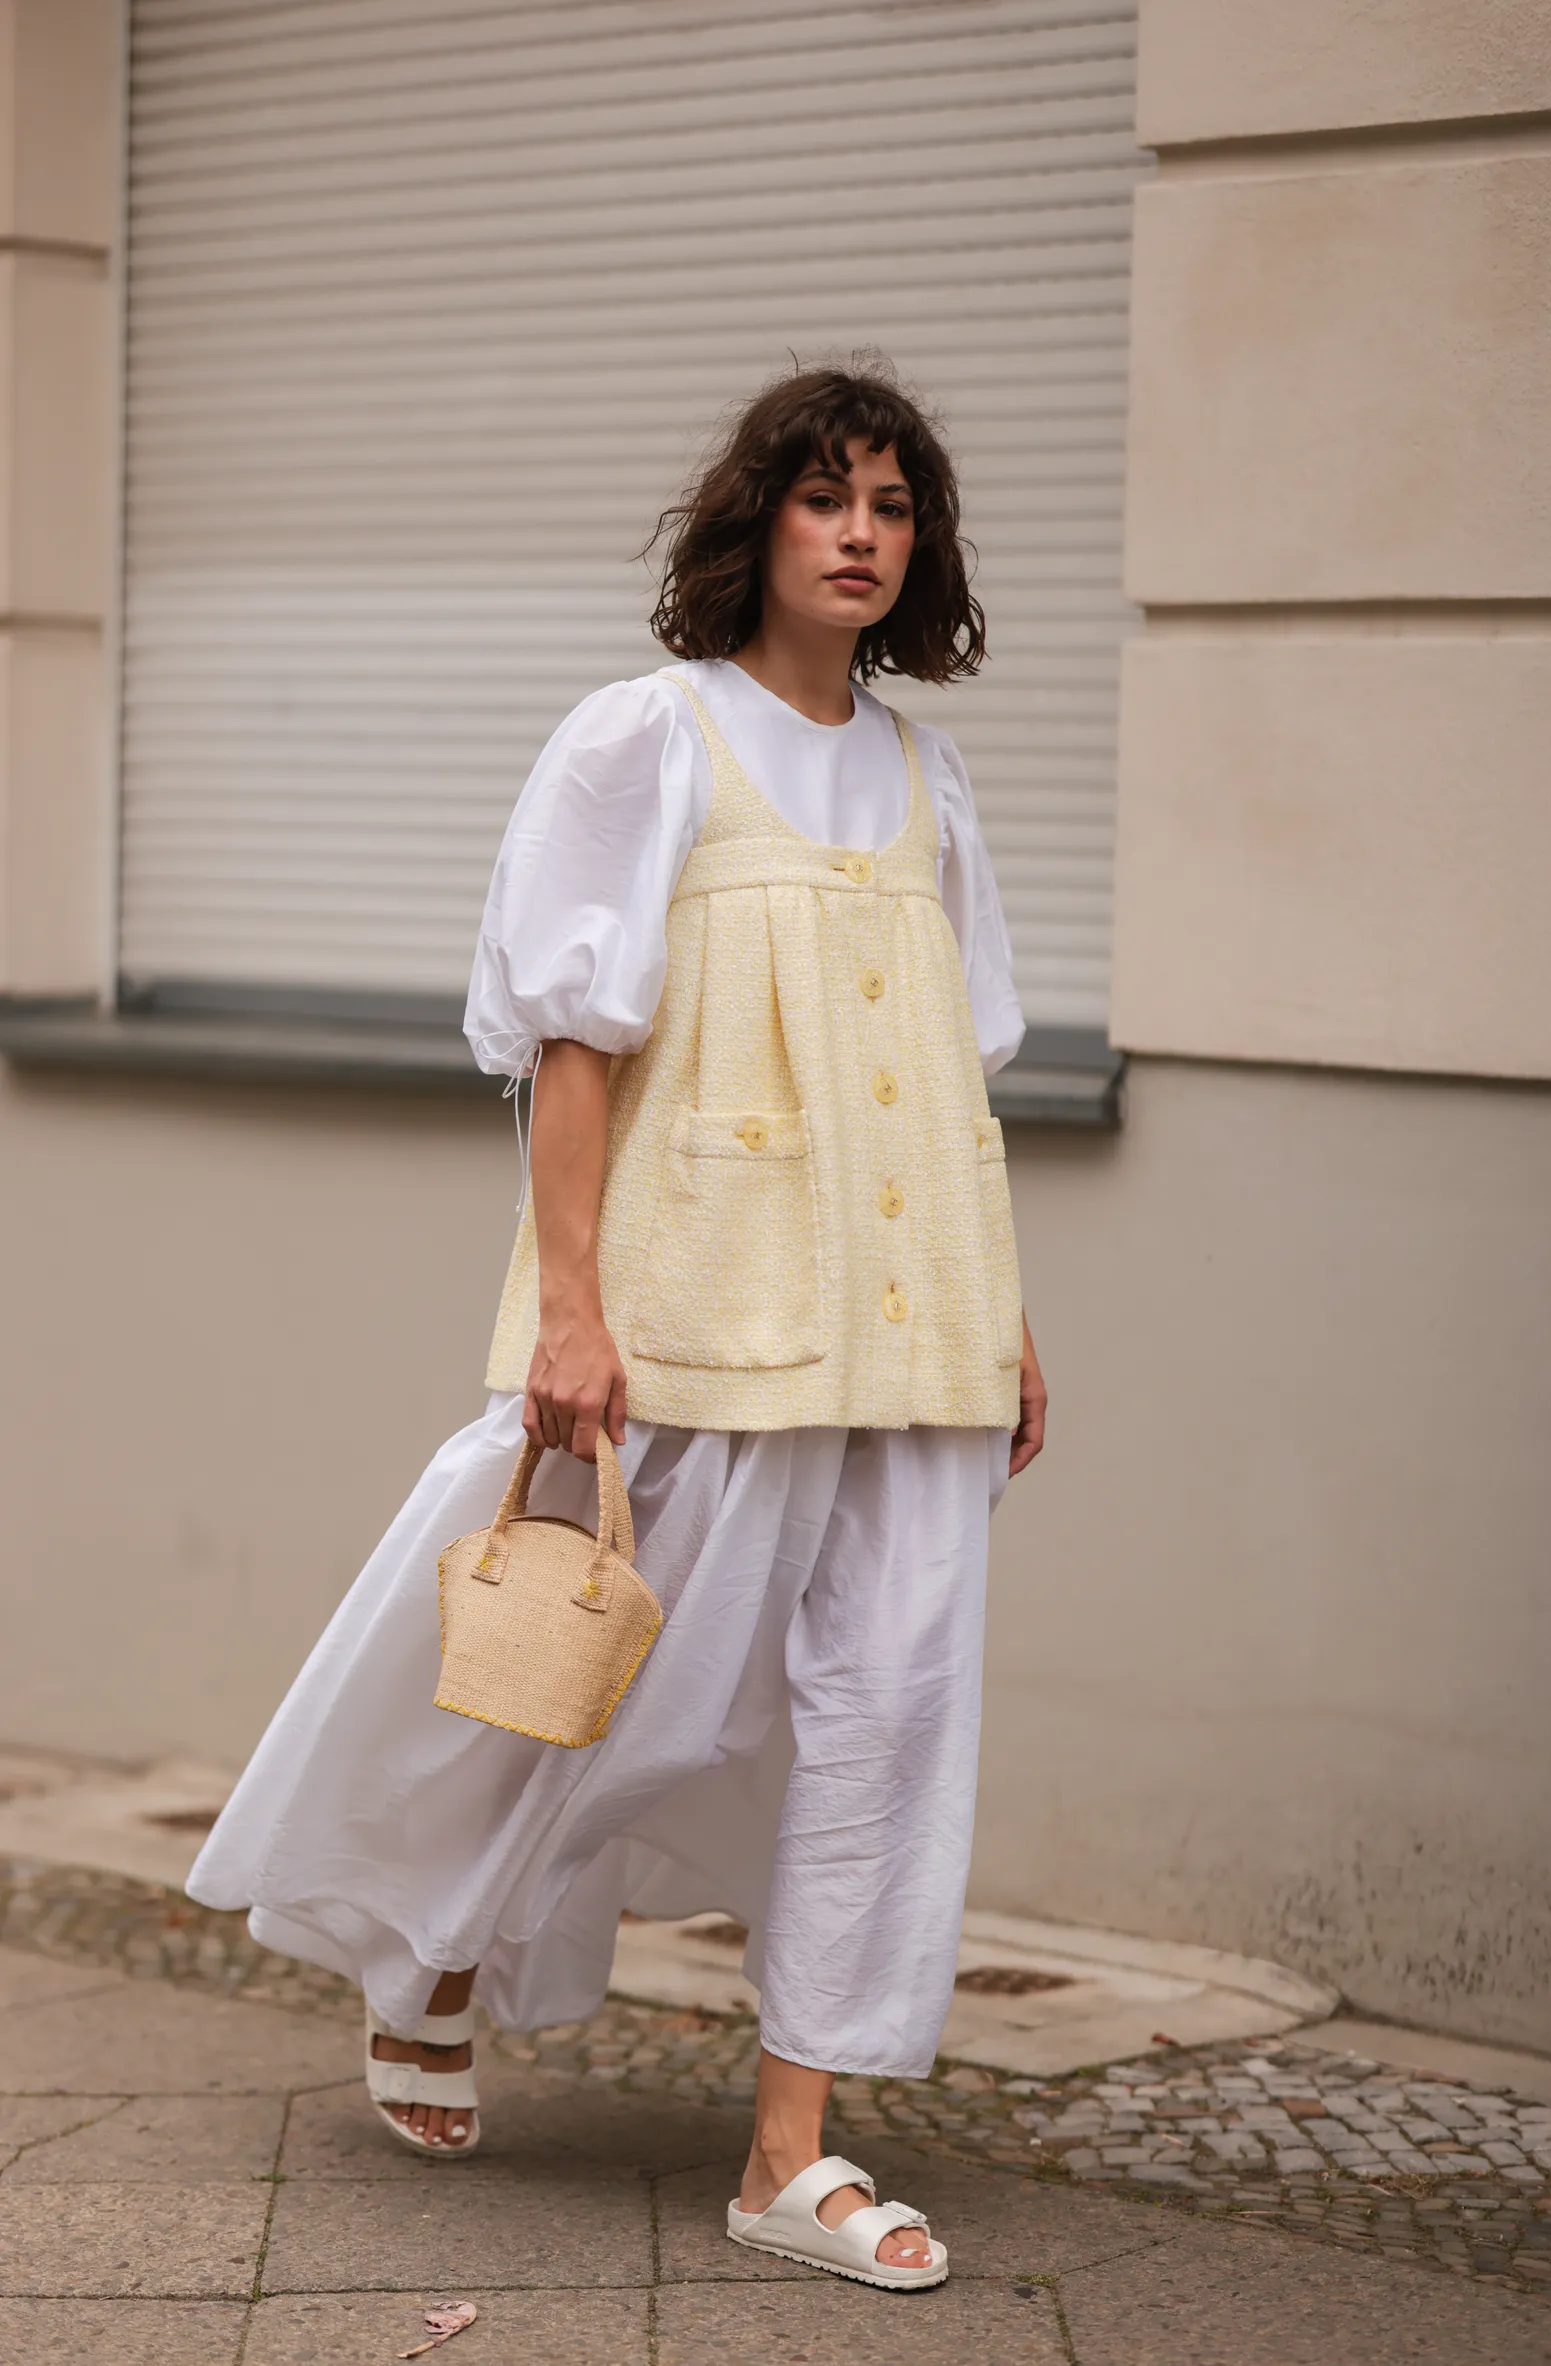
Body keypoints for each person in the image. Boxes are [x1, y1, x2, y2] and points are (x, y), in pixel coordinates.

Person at [190, 363, 1047, 2292]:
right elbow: (571, 1043)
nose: (859, 531)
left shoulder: (932, 777)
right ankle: (426, 1950)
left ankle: (790, 2153)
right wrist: (570, 1307)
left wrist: (1008, 1321)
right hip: (699, 1310)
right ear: (756, 524)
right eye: (825, 497)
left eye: (892, 506)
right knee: (610, 1686)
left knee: (889, 1726)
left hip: (909, 1339)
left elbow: (952, 1080)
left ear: (923, 547)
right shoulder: (645, 740)